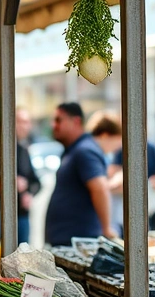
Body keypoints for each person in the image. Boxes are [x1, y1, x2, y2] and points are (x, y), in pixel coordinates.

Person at [45, 102, 115, 246]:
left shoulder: (85, 150)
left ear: (75, 121)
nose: (54, 125)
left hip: (80, 243)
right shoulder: (73, 150)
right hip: (68, 241)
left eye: (59, 120)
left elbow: (100, 188)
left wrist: (107, 229)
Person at [0, 108, 41, 244]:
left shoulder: (23, 151)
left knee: (23, 257)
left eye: (27, 122)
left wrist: (29, 192)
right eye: (21, 121)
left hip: (21, 215)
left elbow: (36, 182)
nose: (25, 126)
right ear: (8, 122)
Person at [109, 138, 155, 230]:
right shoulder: (121, 148)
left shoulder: (151, 148)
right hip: (126, 198)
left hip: (149, 196)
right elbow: (114, 172)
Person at [86, 112, 124, 235]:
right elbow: (99, 188)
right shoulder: (90, 152)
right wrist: (107, 228)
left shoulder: (90, 149)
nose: (118, 147)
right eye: (118, 140)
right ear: (105, 135)